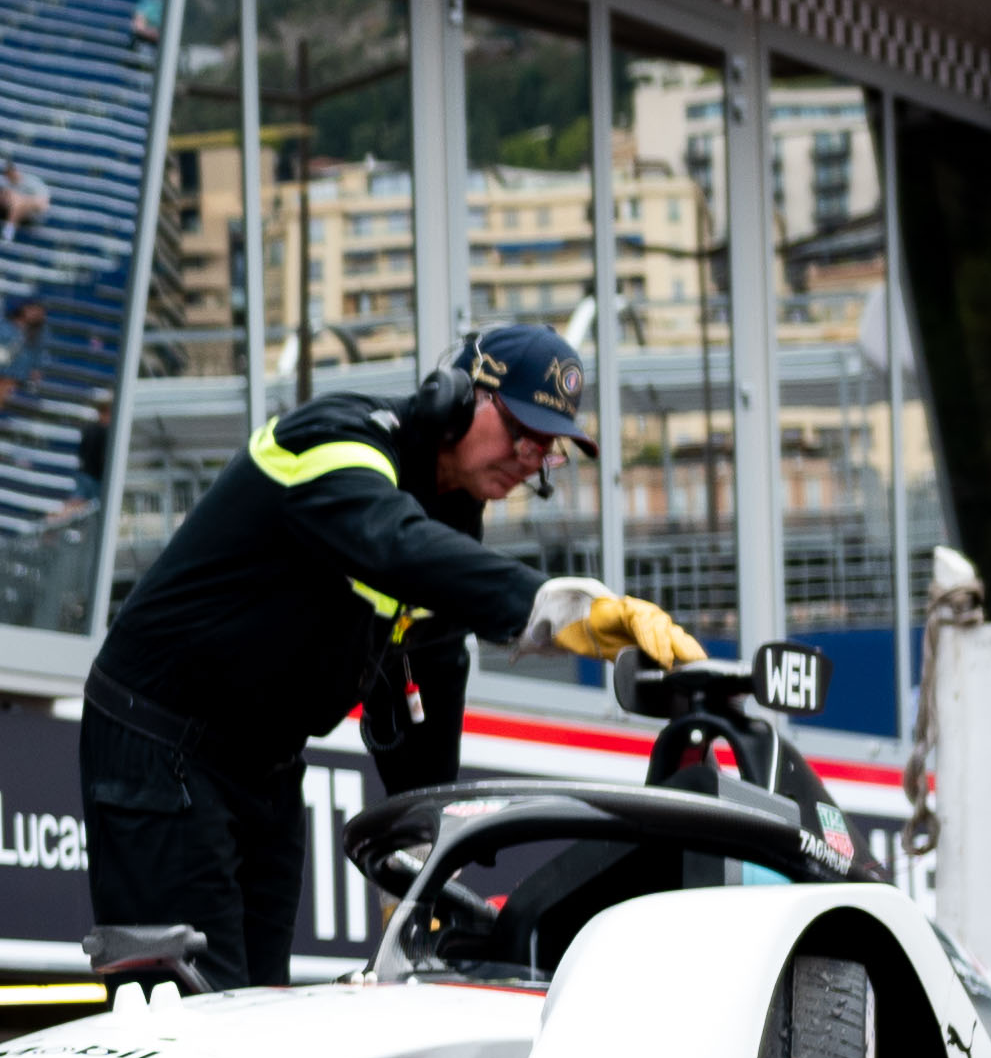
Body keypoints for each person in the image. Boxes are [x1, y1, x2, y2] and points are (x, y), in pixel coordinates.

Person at [77, 324, 700, 987]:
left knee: (255, 1013)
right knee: (190, 1014)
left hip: (264, 768)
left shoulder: (451, 512)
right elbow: (391, 543)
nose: (530, 458)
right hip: (160, 742)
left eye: (549, 449)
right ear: (458, 397)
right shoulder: (335, 438)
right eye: (524, 430)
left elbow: (429, 664)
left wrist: (425, 840)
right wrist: (559, 607)